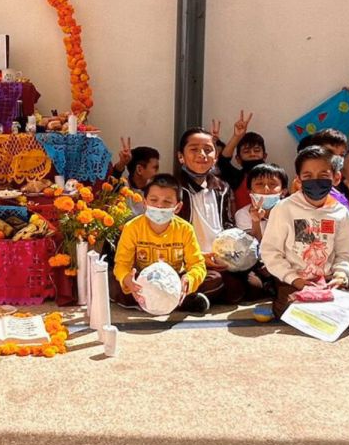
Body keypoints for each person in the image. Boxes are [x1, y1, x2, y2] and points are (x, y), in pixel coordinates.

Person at [261, 146, 349, 318]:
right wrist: (295, 280)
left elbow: (346, 253)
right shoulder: (284, 209)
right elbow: (271, 252)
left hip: (326, 281)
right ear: (298, 180)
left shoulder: (341, 213)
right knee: (292, 310)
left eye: (323, 175)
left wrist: (340, 275)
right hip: (292, 280)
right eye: (308, 176)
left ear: (336, 178)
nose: (315, 181)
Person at [176, 127, 252, 307]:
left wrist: (230, 254)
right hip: (189, 260)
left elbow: (227, 224)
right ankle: (182, 295)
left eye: (208, 150)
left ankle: (193, 296)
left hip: (219, 258)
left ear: (215, 157)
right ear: (181, 156)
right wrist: (198, 257)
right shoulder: (174, 189)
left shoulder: (222, 188)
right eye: (194, 149)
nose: (202, 154)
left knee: (248, 284)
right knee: (215, 280)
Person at [113, 174, 208, 312]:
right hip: (143, 281)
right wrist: (128, 280)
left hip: (175, 281)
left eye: (167, 202)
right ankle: (179, 303)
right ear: (144, 203)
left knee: (215, 279)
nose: (159, 206)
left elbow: (197, 264)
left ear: (177, 207)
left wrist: (189, 280)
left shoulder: (185, 229)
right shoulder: (132, 227)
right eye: (153, 200)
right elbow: (121, 264)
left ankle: (175, 298)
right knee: (113, 282)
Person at [298, 128, 349, 281]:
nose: (336, 157)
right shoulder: (303, 187)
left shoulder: (345, 186)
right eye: (330, 152)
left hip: (340, 248)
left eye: (341, 154)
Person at [214, 111, 265, 210]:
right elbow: (223, 162)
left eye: (257, 150)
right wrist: (237, 136)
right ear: (238, 158)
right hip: (243, 224)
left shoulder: (275, 174)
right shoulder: (237, 177)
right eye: (246, 151)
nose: (252, 154)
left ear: (265, 156)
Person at [236, 163, 288, 242]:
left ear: (283, 192)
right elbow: (253, 248)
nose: (266, 189)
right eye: (259, 184)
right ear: (250, 191)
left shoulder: (291, 211)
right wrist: (255, 221)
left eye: (272, 184)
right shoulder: (243, 214)